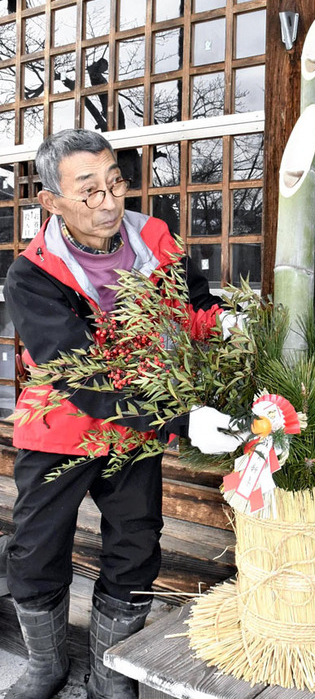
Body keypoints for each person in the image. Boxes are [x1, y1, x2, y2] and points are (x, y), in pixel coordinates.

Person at [3, 129, 242, 699]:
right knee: (36, 550)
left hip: (137, 435)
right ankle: (45, 667)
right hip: (61, 427)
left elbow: (194, 308)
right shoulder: (32, 275)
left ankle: (110, 678)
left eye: (115, 183)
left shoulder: (157, 239)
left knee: (135, 549)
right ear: (51, 201)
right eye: (88, 192)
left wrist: (225, 325)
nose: (108, 202)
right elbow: (83, 376)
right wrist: (181, 419)